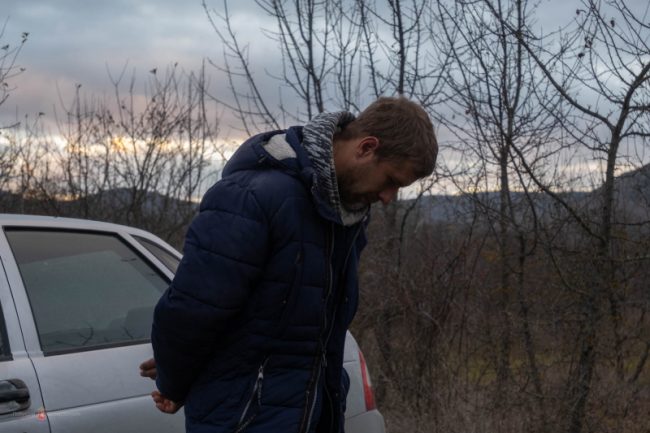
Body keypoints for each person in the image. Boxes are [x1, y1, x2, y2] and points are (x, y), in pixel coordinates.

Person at [139, 96, 438, 433]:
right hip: (245, 419)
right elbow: (191, 310)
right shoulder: (252, 196)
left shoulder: (345, 215)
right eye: (392, 181)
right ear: (366, 148)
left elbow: (309, 329)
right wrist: (174, 379)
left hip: (310, 414)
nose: (388, 197)